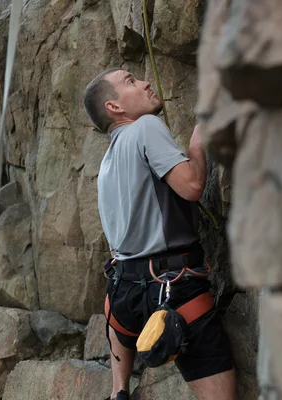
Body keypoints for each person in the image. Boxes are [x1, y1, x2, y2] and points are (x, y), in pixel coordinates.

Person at [83, 68, 236, 400]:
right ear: (114, 107)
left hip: (123, 298)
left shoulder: (107, 165)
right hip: (173, 288)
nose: (146, 82)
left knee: (120, 319)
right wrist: (198, 140)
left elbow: (118, 250)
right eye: (131, 82)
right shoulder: (146, 127)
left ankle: (119, 391)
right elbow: (193, 186)